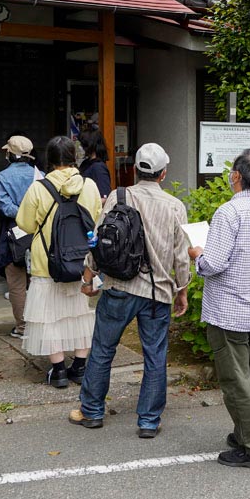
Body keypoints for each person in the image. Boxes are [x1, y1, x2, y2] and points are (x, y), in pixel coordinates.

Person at [70, 143, 191, 438]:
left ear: (135, 170)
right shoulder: (174, 206)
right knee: (155, 355)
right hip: (157, 293)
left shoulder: (118, 196)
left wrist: (88, 279)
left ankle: (91, 411)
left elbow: (99, 242)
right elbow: (181, 256)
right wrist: (182, 290)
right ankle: (148, 421)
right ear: (163, 174)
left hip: (119, 287)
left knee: (102, 350)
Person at [188, 149, 250, 470]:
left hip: (230, 311)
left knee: (235, 381)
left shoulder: (229, 213)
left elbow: (213, 263)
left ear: (237, 177)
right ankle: (243, 433)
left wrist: (197, 254)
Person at [16, 136, 101, 387]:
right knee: (81, 314)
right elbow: (96, 218)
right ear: (74, 158)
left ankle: (59, 371)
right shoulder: (90, 186)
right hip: (82, 260)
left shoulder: (38, 188)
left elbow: (25, 224)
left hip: (48, 263)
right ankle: (80, 367)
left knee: (48, 317)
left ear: (50, 160)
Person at [0, 135, 38, 339]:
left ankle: (22, 327)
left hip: (14, 231)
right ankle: (40, 323)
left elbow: (6, 208)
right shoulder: (41, 175)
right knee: (38, 278)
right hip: (38, 230)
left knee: (16, 281)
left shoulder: (1, 178)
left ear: (10, 154)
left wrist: (21, 212)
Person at [78, 129, 112, 202]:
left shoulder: (98, 167)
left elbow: (105, 198)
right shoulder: (85, 163)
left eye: (82, 144)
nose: (80, 147)